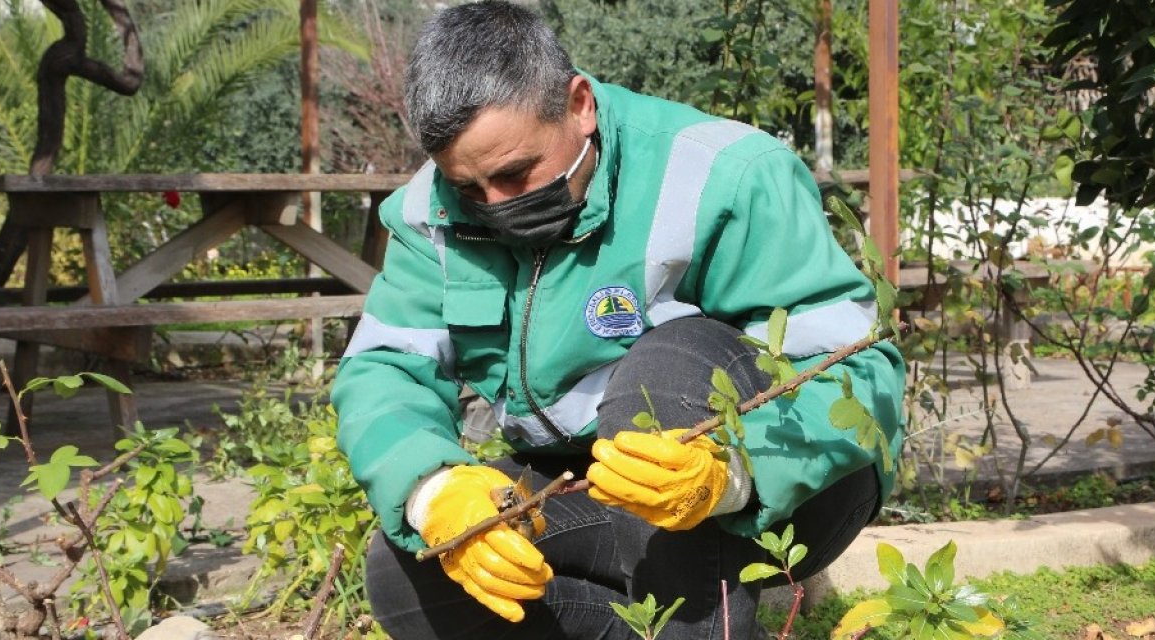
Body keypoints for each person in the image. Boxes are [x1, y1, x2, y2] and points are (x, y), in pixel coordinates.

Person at [329, 2, 905, 638]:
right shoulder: (426, 213)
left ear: (580, 105)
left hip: (786, 486)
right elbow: (384, 370)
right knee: (409, 574)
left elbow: (861, 373)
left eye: (516, 174)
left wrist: (735, 471)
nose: (495, 207)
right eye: (470, 188)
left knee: (665, 371)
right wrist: (434, 492)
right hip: (593, 483)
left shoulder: (726, 175)